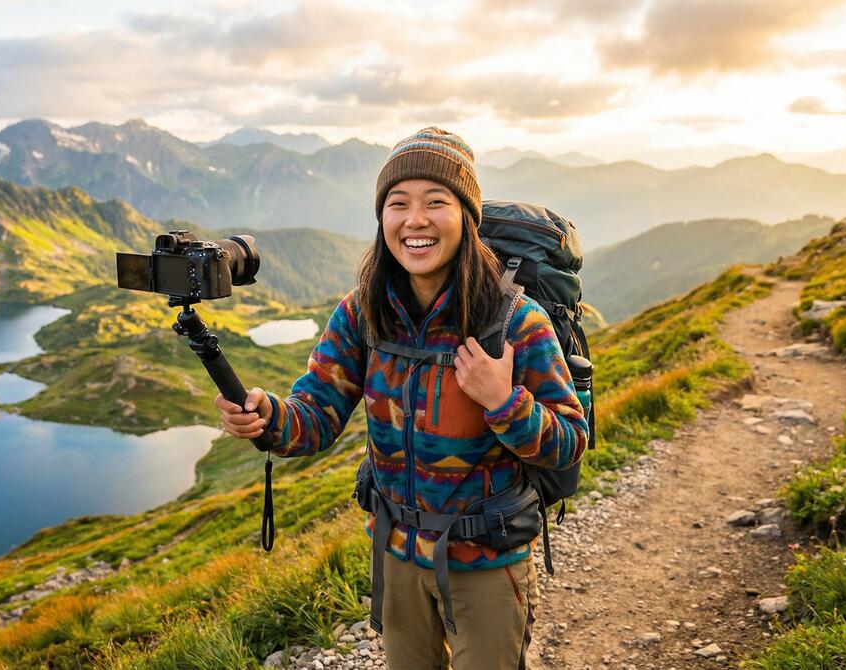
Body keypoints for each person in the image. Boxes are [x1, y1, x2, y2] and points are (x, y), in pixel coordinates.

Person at [215, 127, 589, 669]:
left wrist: (504, 402)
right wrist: (265, 416)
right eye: (398, 203)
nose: (415, 220)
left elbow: (570, 442)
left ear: (466, 216)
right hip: (395, 555)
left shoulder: (514, 321)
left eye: (436, 202)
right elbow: (314, 417)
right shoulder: (362, 311)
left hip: (487, 561)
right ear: (382, 217)